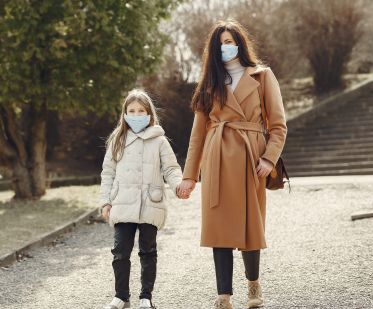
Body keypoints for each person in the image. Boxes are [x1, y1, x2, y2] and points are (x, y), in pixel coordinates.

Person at [176, 20, 287, 309]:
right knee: (219, 226)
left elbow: (278, 125)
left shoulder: (263, 76)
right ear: (213, 50)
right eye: (220, 43)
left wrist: (268, 159)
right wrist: (190, 176)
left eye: (229, 41)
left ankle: (253, 285)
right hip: (217, 160)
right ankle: (223, 294)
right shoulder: (209, 83)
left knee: (252, 225)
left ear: (240, 43)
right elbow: (197, 135)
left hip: (251, 160)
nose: (225, 47)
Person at [100, 89, 183, 309]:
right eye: (131, 111)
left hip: (150, 203)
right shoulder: (117, 140)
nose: (136, 115)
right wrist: (105, 201)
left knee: (148, 252)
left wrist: (178, 185)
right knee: (120, 252)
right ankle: (121, 296)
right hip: (123, 204)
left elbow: (171, 168)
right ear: (125, 114)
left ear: (149, 114)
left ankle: (146, 297)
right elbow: (107, 172)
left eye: (141, 111)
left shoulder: (159, 141)